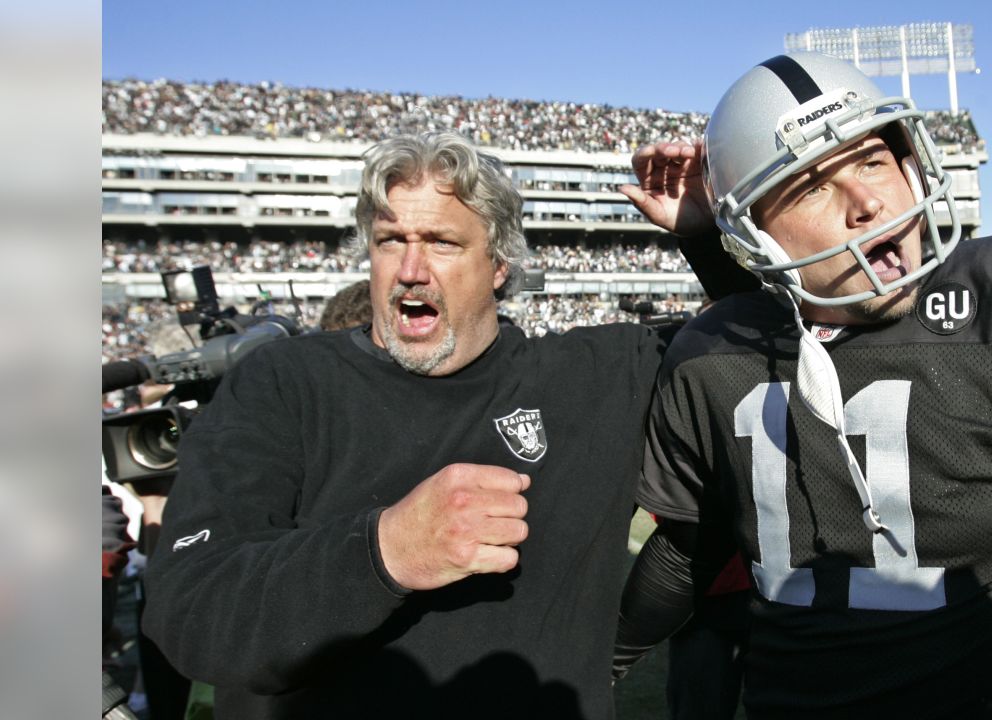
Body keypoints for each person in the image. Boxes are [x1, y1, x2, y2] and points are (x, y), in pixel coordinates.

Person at [614, 52, 992, 719]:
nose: (867, 202)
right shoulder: (712, 354)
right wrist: (597, 664)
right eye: (808, 186)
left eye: (873, 160)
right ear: (753, 233)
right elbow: (687, 554)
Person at [141, 131, 752, 720]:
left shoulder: (596, 376)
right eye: (389, 240)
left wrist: (708, 238)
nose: (410, 269)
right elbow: (191, 612)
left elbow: (764, 360)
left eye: (441, 242)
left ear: (500, 266)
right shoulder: (282, 383)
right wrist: (386, 550)